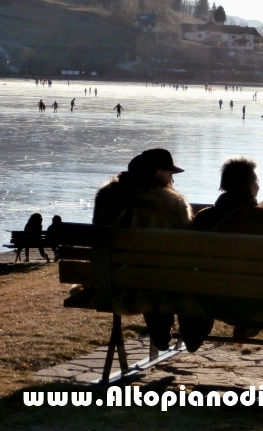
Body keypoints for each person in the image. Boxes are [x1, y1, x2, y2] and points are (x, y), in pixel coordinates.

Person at [90, 148, 211, 352]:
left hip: (112, 283)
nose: (172, 178)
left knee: (149, 272)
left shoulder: (107, 195)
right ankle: (191, 335)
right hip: (157, 284)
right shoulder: (171, 202)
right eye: (170, 173)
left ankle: (161, 333)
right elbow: (188, 245)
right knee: (182, 276)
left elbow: (97, 235)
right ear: (158, 173)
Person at [192, 158, 263, 344]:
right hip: (254, 298)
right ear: (252, 187)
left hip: (211, 297)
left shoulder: (204, 218)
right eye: (257, 182)